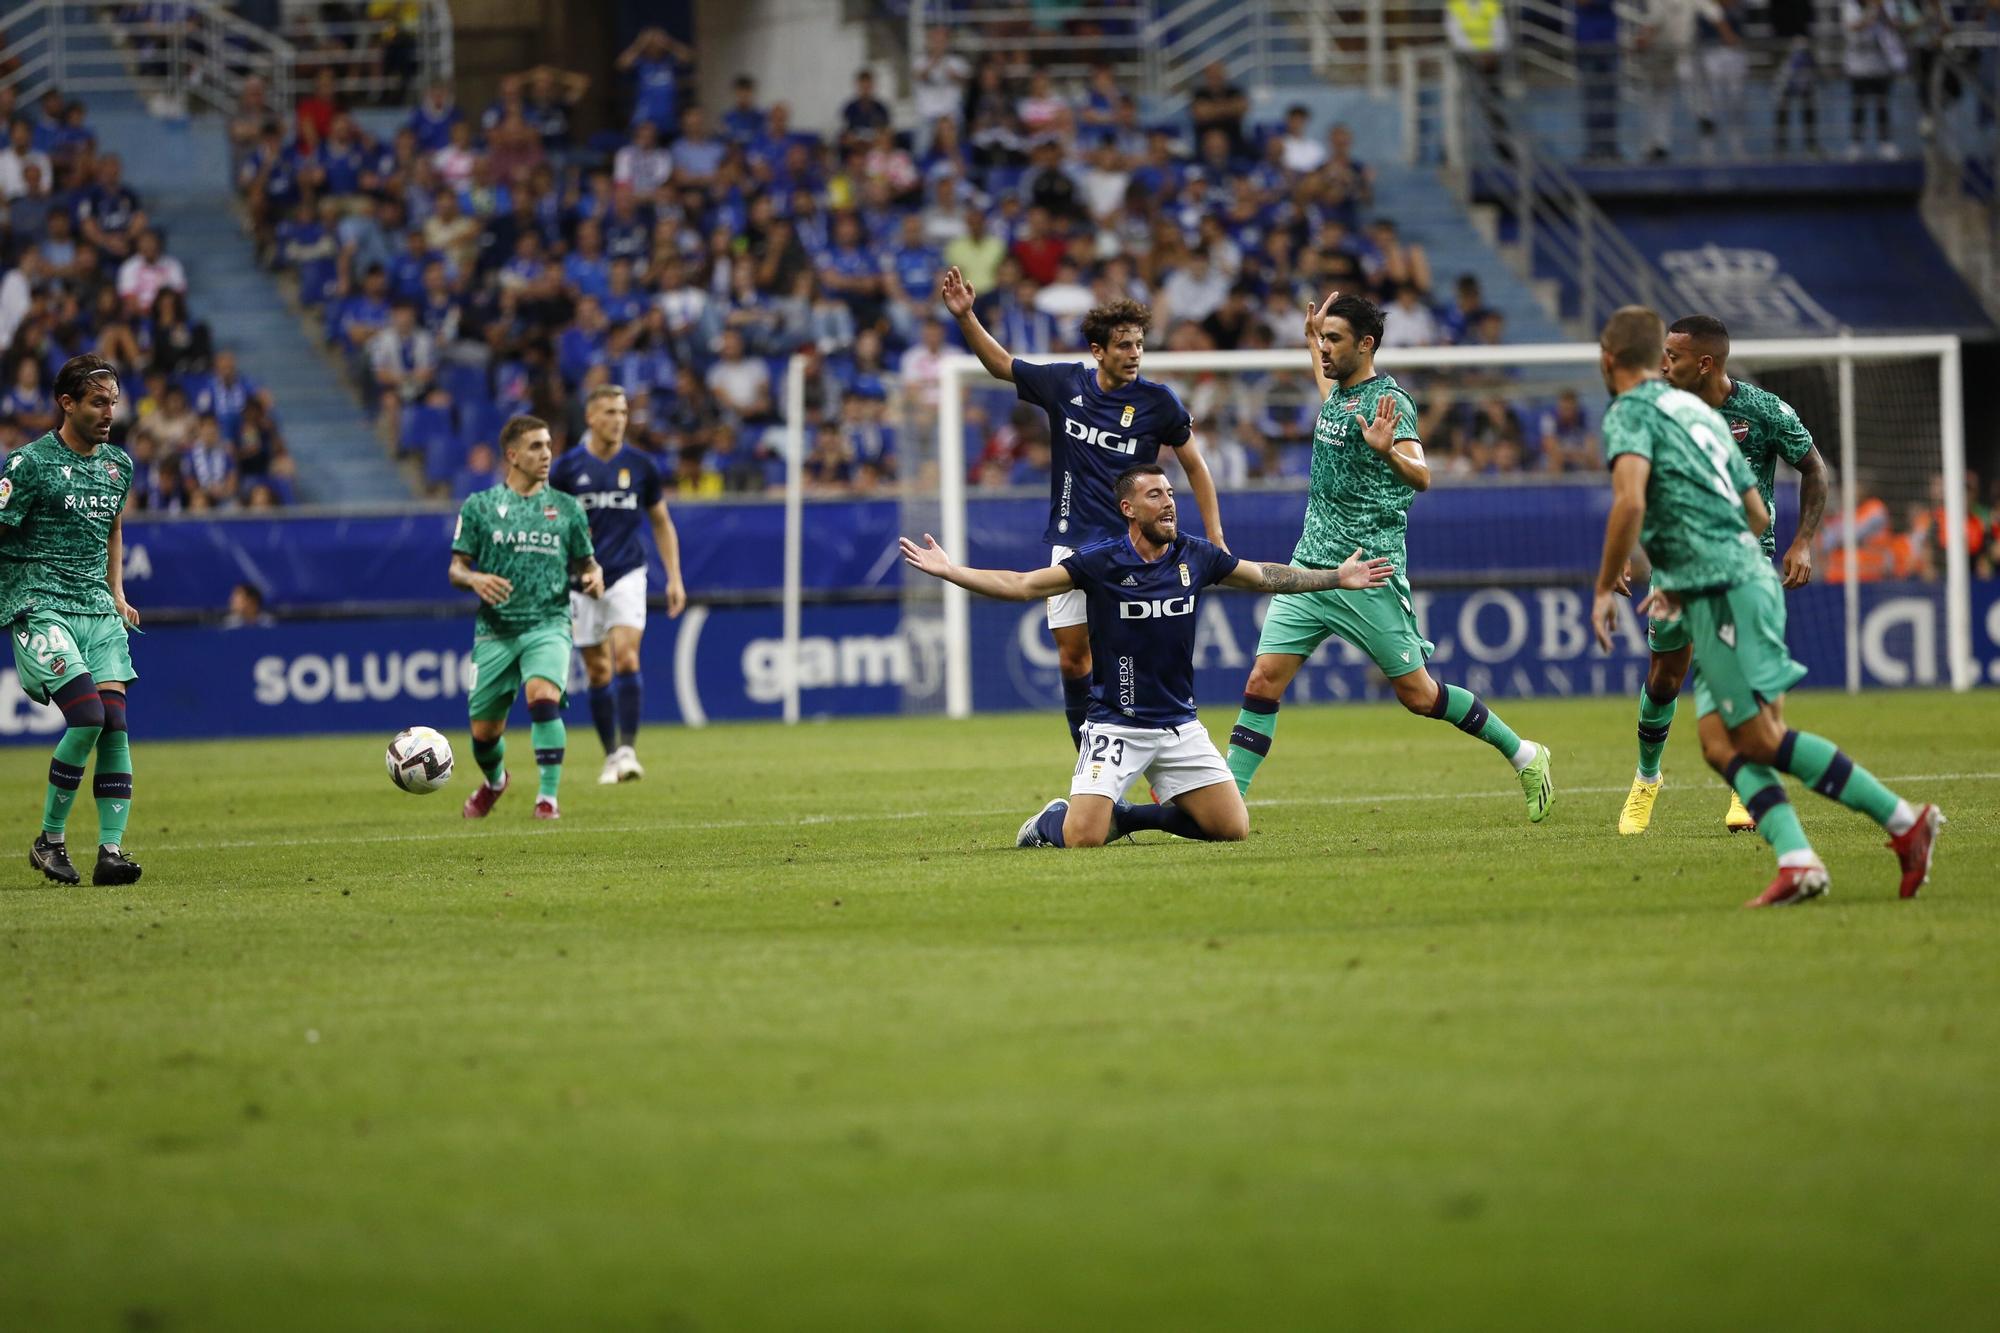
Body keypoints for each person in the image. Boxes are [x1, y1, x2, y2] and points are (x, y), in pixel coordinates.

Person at [1590, 306, 1941, 906]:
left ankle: (1906, 821)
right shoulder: (1696, 417)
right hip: (1728, 579)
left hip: (1724, 587)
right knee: (1719, 742)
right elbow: (1754, 513)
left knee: (1758, 737)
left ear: (1608, 360)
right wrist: (1688, 568)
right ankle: (1799, 860)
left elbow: (1629, 503)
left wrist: (1607, 585)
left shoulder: (1636, 413)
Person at [900, 464, 1393, 848]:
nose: (1169, 504)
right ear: (1129, 508)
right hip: (1116, 724)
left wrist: (1333, 576)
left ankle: (1129, 815)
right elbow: (1023, 584)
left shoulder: (1196, 555)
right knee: (1082, 838)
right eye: (1155, 495)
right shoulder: (1101, 561)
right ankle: (1050, 821)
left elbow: (1264, 576)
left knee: (1231, 828)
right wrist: (951, 571)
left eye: (1171, 495)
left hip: (1180, 726)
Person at [1222, 293, 1553, 821]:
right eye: (1323, 339)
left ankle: (1526, 754)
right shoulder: (1336, 392)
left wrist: (1387, 450)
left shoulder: (1390, 403)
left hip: (1367, 573)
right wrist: (1311, 340)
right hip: (1311, 567)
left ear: (1366, 345)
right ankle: (1227, 803)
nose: (1325, 349)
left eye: (1334, 340)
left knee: (1419, 696)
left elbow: (1422, 476)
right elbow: (1328, 389)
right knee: (1263, 679)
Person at [939, 267, 1229, 752]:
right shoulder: (1064, 385)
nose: (1134, 354)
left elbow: (1196, 467)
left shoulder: (1159, 403)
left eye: (1138, 344)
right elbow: (1002, 364)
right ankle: (1090, 765)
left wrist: (1215, 537)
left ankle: (1163, 749)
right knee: (1074, 660)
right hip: (1074, 543)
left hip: (1133, 548)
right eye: (1123, 345)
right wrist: (967, 316)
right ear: (1099, 350)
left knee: (1137, 655)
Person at [1619, 313, 1831, 836]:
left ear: (1705, 363)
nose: (1663, 364)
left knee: (1739, 671)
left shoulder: (1762, 412)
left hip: (1743, 563)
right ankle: (1647, 779)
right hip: (1676, 564)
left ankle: (1744, 784)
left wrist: (1803, 540)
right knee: (1665, 678)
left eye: (1673, 356)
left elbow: (1814, 469)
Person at [0, 354, 143, 886]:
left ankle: (111, 851)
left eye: (113, 401)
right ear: (67, 403)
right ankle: (49, 840)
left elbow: (112, 529)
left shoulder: (118, 465)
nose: (109, 412)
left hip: (96, 608)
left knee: (115, 727)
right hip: (41, 605)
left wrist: (118, 593)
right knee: (87, 717)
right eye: (98, 402)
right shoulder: (28, 464)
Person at [450, 415, 603, 821]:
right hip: (495, 632)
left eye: (549, 444)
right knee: (484, 735)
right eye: (536, 446)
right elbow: (456, 568)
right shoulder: (479, 507)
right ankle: (496, 781)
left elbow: (588, 562)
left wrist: (593, 576)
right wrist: (474, 578)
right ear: (512, 455)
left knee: (542, 697)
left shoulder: (567, 508)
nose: (547, 453)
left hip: (548, 622)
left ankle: (547, 798)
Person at [549, 383, 687, 785]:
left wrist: (674, 577)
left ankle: (628, 750)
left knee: (626, 656)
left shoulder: (641, 466)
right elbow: (550, 524)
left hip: (627, 572)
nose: (618, 420)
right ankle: (610, 754)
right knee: (597, 670)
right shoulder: (567, 469)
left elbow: (661, 521)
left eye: (623, 412)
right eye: (610, 412)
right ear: (591, 417)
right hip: (580, 581)